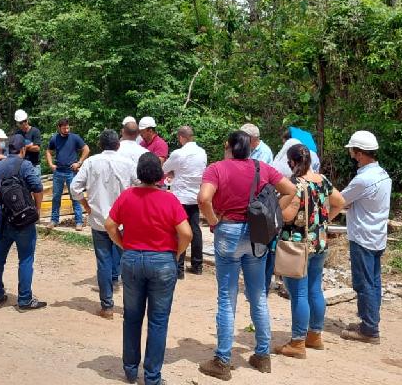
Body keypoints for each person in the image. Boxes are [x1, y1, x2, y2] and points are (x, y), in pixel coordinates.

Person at [197, 130, 297, 379]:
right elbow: (290, 190)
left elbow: (203, 198)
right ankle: (262, 356)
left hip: (228, 231)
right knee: (258, 296)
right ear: (250, 147)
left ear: (229, 146)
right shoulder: (262, 168)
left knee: (226, 297)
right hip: (256, 235)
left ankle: (222, 360)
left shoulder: (217, 169)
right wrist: (271, 214)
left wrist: (213, 222)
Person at [105, 152, 193, 385]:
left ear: (139, 173)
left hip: (132, 259)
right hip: (162, 261)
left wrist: (124, 245)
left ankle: (131, 370)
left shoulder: (127, 196)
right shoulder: (169, 199)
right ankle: (152, 377)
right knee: (158, 320)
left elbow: (109, 225)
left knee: (132, 317)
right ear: (160, 175)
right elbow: (186, 233)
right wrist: (176, 254)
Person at [273, 144, 345, 358]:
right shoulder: (323, 180)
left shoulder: (295, 184)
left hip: (297, 245)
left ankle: (297, 342)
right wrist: (323, 221)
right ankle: (315, 335)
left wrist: (276, 205)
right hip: (319, 242)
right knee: (315, 289)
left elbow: (287, 216)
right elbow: (340, 202)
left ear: (292, 162)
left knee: (299, 293)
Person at [70, 129, 136, 319]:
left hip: (99, 221)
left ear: (100, 145)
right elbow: (141, 185)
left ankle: (107, 306)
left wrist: (86, 207)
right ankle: (131, 307)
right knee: (130, 262)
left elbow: (75, 188)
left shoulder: (91, 163)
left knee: (104, 263)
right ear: (118, 145)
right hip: (124, 223)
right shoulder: (127, 163)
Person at [0, 134, 46, 311]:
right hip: (24, 221)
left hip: (4, 219)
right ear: (23, 149)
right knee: (25, 258)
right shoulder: (25, 165)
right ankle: (24, 299)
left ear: (8, 148)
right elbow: (38, 188)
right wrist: (37, 210)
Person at [339, 130, 391, 345]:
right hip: (377, 235)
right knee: (374, 282)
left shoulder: (364, 180)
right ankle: (369, 323)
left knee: (364, 284)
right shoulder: (382, 174)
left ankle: (369, 329)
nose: (351, 155)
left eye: (352, 151)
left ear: (359, 153)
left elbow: (340, 200)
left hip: (362, 237)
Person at [163, 126, 208, 278]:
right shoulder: (202, 152)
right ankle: (197, 265)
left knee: (179, 231)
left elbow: (164, 168)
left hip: (180, 197)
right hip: (195, 196)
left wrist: (173, 172)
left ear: (181, 137)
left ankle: (179, 268)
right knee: (195, 230)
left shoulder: (178, 153)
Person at [46, 118, 90, 230]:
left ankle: (79, 221)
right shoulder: (54, 139)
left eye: (68, 127)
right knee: (56, 197)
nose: (66, 129)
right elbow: (48, 151)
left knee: (75, 196)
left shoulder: (75, 137)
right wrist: (51, 164)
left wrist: (79, 162)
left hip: (72, 171)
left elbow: (86, 149)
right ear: (59, 128)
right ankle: (54, 220)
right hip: (58, 171)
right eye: (64, 127)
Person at [13, 109, 43, 180]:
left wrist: (24, 147)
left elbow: (37, 148)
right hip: (21, 165)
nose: (24, 123)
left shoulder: (35, 131)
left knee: (36, 189)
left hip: (34, 165)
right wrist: (29, 145)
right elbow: (16, 149)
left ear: (27, 120)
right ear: (17, 123)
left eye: (25, 121)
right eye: (21, 122)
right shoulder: (17, 134)